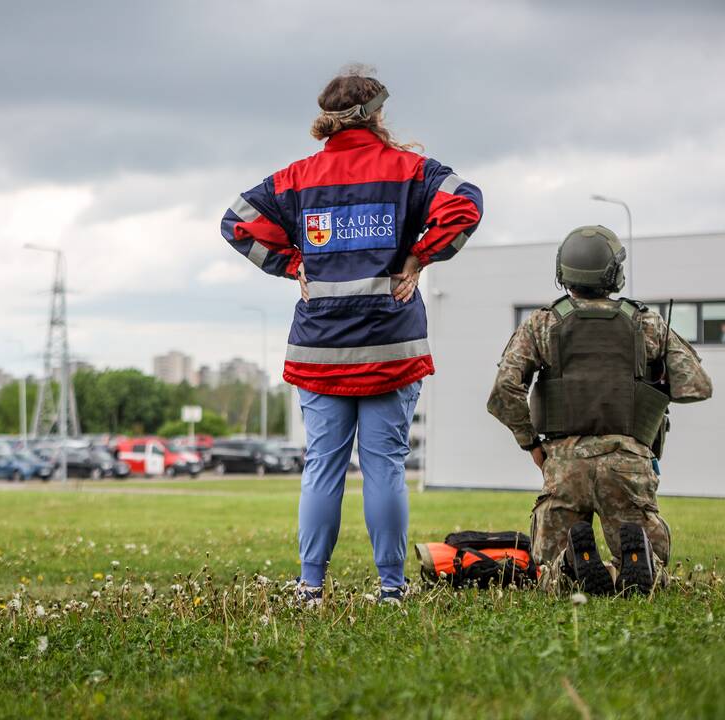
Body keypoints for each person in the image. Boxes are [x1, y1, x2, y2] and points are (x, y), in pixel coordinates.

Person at [220, 65, 483, 604]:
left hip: (319, 348)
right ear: (378, 114)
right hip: (392, 344)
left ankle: (311, 585)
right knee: (385, 465)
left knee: (323, 464)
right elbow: (467, 203)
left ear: (327, 120)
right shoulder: (411, 170)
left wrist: (290, 261)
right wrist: (420, 254)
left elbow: (236, 222)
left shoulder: (295, 179)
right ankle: (391, 588)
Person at [487, 226, 713, 595]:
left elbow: (504, 392)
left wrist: (532, 445)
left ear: (563, 274)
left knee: (549, 574)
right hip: (628, 463)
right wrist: (652, 385)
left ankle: (572, 563)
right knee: (650, 568)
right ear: (614, 273)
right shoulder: (646, 322)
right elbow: (697, 386)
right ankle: (639, 565)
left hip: (563, 464)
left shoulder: (543, 323)